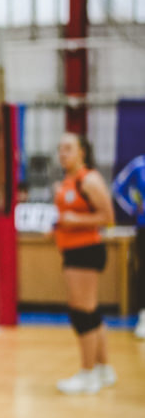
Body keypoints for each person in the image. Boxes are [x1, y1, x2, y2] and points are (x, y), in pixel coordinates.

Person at [53, 133, 116, 394]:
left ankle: (87, 374)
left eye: (68, 148)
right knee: (90, 310)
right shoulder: (68, 181)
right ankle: (103, 369)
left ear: (82, 152)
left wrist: (74, 221)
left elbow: (108, 217)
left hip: (86, 251)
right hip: (72, 250)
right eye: (60, 149)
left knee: (82, 312)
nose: (63, 153)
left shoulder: (89, 180)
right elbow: (69, 216)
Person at [112, 151, 145, 340]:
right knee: (143, 271)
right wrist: (134, 208)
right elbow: (117, 187)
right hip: (143, 227)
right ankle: (143, 317)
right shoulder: (138, 165)